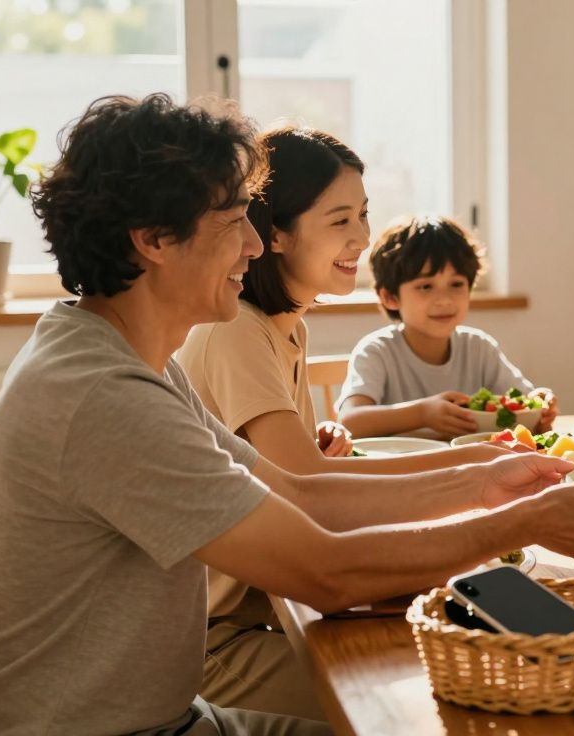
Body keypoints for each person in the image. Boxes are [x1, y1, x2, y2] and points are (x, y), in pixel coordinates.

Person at [0, 94, 574, 736]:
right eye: (235, 221)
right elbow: (324, 572)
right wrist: (525, 521)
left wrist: (486, 483)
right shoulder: (103, 396)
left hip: (173, 715)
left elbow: (297, 490)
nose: (254, 244)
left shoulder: (124, 356)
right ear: (153, 238)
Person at [175, 126, 504, 720]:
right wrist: (484, 470)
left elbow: (296, 477)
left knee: (454, 655)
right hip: (213, 644)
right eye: (340, 220)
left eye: (364, 215)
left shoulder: (285, 327)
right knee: (419, 700)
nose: (362, 236)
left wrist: (486, 461)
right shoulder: (236, 330)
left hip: (270, 613)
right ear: (274, 233)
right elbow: (312, 496)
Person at [336, 216, 556, 439]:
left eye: (456, 284)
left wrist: (541, 406)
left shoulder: (479, 348)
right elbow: (349, 421)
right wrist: (423, 413)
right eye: (426, 286)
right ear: (390, 297)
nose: (445, 300)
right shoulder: (376, 352)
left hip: (470, 467)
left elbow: (527, 402)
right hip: (401, 469)